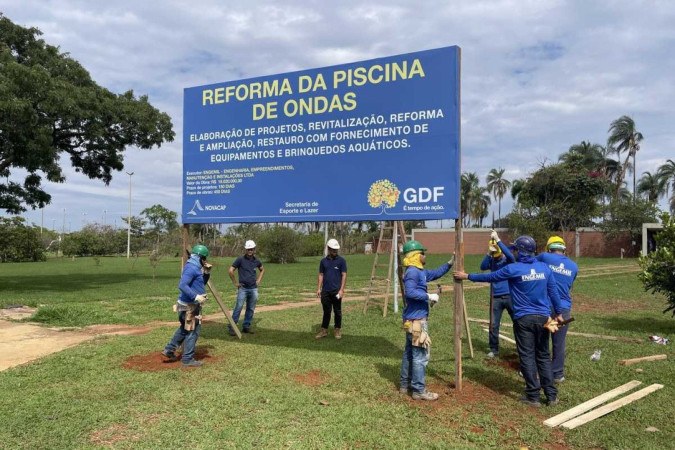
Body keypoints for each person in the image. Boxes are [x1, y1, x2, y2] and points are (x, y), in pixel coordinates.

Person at [454, 235, 564, 407]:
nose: (513, 252)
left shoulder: (514, 269)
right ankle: (551, 396)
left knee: (527, 356)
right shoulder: (544, 268)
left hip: (524, 320)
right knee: (543, 356)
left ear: (520, 251)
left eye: (515, 249)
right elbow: (554, 292)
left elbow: (490, 277)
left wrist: (467, 276)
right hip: (544, 318)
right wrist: (558, 313)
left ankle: (533, 396)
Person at [399, 240, 453, 401]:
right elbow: (410, 293)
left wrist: (450, 263)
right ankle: (418, 390)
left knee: (409, 353)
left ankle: (404, 385)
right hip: (417, 322)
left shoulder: (419, 272)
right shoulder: (413, 273)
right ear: (415, 255)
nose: (425, 255)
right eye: (423, 253)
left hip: (413, 319)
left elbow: (435, 273)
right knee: (420, 356)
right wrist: (429, 295)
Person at [537, 236, 578, 383]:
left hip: (546, 308)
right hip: (563, 311)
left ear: (549, 248)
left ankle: (536, 371)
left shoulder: (544, 257)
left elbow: (530, 266)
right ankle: (557, 374)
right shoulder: (574, 266)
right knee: (558, 343)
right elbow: (569, 286)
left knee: (541, 340)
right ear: (563, 249)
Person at [162, 244, 211, 367]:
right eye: (204, 258)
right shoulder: (191, 268)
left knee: (184, 329)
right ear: (199, 257)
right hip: (190, 306)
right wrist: (196, 297)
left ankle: (169, 349)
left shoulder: (195, 267)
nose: (205, 261)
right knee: (193, 331)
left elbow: (200, 283)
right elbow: (182, 285)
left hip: (188, 305)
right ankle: (187, 359)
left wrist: (206, 273)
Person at [481, 230, 516, 358]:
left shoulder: (507, 259)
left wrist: (498, 240)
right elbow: (482, 266)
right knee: (493, 324)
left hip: (510, 295)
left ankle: (522, 346)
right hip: (495, 297)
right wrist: (489, 253)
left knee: (517, 322)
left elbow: (512, 257)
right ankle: (494, 349)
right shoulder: (492, 260)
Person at [228, 240, 265, 335]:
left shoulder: (256, 260)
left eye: (251, 249)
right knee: (238, 307)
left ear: (254, 249)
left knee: (251, 308)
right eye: (248, 249)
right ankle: (232, 327)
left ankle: (246, 326)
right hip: (243, 288)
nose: (250, 251)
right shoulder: (240, 259)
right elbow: (231, 270)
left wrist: (259, 280)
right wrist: (235, 283)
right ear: (246, 249)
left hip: (253, 288)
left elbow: (262, 269)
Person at [315, 239, 347, 339]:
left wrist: (341, 289)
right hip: (325, 291)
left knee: (337, 311)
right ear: (328, 249)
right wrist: (319, 288)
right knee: (326, 311)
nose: (335, 251)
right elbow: (321, 275)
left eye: (336, 250)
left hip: (336, 291)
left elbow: (344, 275)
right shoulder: (323, 261)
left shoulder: (341, 261)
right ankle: (324, 330)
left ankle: (337, 330)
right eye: (333, 249)